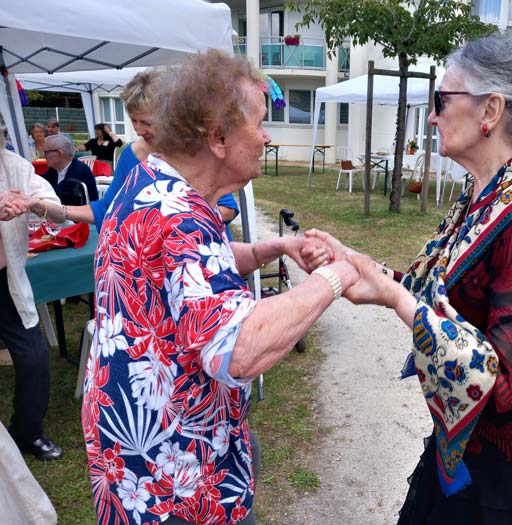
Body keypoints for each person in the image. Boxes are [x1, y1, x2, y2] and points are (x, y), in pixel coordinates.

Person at [308, 33, 512, 524]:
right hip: (467, 451)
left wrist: (394, 298)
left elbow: (503, 387)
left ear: (490, 111)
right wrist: (362, 268)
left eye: (441, 101)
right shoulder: (487, 195)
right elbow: (435, 296)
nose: (432, 116)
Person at [81, 49, 358, 525]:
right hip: (174, 473)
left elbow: (184, 274)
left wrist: (274, 248)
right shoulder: (183, 217)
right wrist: (339, 276)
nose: (267, 137)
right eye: (259, 123)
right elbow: (239, 350)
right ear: (218, 138)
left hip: (130, 450)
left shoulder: (151, 183)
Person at [11, 69, 240, 236]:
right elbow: (106, 209)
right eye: (134, 121)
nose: (139, 130)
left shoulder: (197, 150)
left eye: (146, 122)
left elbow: (227, 209)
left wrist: (173, 223)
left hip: (207, 255)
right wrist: (49, 208)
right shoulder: (130, 156)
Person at [0, 127, 64, 461]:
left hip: (5, 281)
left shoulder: (14, 166)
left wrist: (32, 204)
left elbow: (56, 209)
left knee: (35, 357)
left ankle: (27, 433)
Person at [42, 134, 99, 205]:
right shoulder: (54, 170)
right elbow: (39, 182)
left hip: (80, 213)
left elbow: (57, 197)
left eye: (46, 152)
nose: (44, 156)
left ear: (60, 153)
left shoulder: (78, 171)